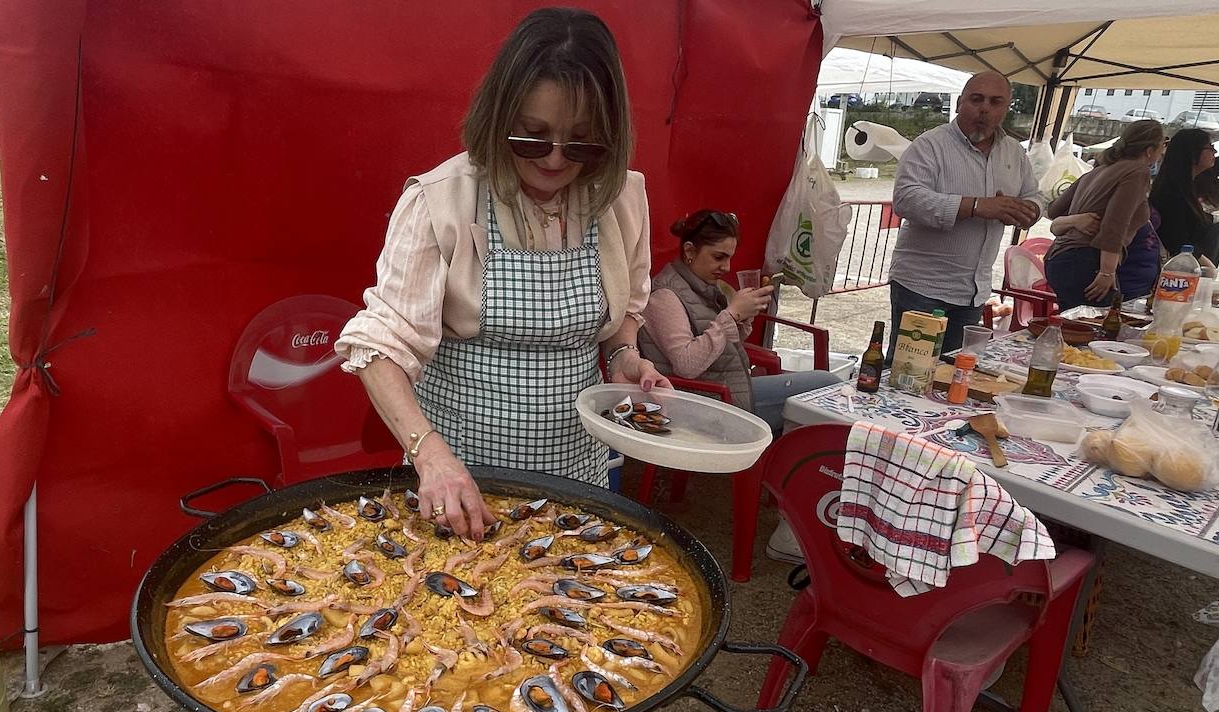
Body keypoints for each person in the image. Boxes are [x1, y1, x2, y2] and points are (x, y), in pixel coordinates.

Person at [337, 8, 668, 544]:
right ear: (499, 119)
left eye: (581, 143)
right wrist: (431, 455)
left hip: (577, 470)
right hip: (461, 478)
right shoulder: (442, 199)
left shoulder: (621, 199)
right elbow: (380, 346)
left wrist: (628, 358)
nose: (556, 161)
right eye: (532, 138)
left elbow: (623, 317)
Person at [638, 209, 839, 564]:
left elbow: (723, 347)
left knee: (826, 389)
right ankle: (791, 518)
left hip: (728, 389)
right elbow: (687, 362)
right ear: (688, 251)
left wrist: (740, 320)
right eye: (718, 256)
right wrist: (729, 316)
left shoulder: (704, 288)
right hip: (702, 405)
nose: (726, 266)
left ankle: (789, 497)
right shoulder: (665, 296)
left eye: (729, 257)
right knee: (822, 399)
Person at [888, 71, 1041, 359]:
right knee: (909, 368)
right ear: (960, 103)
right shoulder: (930, 145)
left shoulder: (1013, 152)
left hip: (974, 288)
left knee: (955, 368)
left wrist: (1026, 211)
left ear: (1006, 108)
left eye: (995, 101)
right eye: (976, 99)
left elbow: (1033, 195)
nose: (984, 108)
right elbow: (906, 199)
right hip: (922, 285)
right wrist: (975, 206)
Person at [1043, 120, 1165, 309]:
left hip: (1059, 257)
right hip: (1085, 259)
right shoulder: (1137, 171)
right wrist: (1107, 272)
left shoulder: (1098, 170)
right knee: (1092, 328)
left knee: (1073, 327)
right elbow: (1116, 223)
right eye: (1161, 147)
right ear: (1150, 151)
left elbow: (1053, 210)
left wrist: (1074, 220)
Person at [1152, 128, 1219, 274]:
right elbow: (1176, 239)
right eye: (1211, 147)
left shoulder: (1194, 182)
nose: (1214, 152)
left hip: (1194, 266)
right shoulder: (1170, 192)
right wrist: (1209, 268)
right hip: (1180, 271)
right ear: (1192, 152)